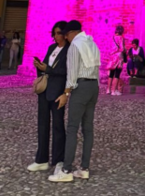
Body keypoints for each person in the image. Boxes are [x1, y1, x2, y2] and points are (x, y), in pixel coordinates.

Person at [49, 20, 101, 183]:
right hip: (94, 86)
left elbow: (72, 74)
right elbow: (98, 67)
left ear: (71, 33)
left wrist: (66, 92)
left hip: (81, 87)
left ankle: (66, 169)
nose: (65, 37)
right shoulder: (92, 43)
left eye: (65, 34)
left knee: (72, 128)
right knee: (88, 129)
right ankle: (84, 168)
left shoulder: (74, 47)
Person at [30, 21, 69, 173]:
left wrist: (49, 69)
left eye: (59, 33)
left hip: (58, 91)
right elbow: (47, 67)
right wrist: (40, 67)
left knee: (58, 126)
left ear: (65, 34)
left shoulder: (69, 51)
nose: (56, 36)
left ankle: (59, 159)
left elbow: (65, 71)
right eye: (55, 33)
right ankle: (42, 159)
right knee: (42, 124)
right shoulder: (51, 48)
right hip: (45, 90)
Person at [107, 25, 126, 96]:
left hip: (112, 57)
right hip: (118, 57)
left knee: (111, 73)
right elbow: (122, 49)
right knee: (117, 74)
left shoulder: (112, 37)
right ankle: (113, 91)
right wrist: (125, 49)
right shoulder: (121, 38)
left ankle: (108, 89)